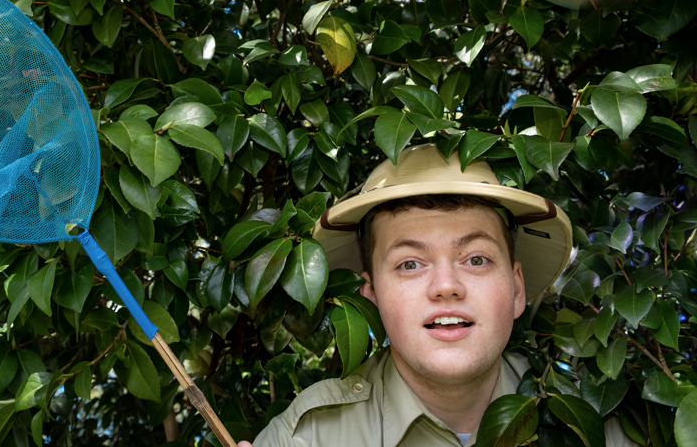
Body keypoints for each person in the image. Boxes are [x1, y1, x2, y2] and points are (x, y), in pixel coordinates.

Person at [236, 143, 636, 447]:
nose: (446, 285)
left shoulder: (597, 423)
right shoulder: (307, 438)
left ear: (516, 289)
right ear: (371, 295)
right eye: (410, 263)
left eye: (476, 259)